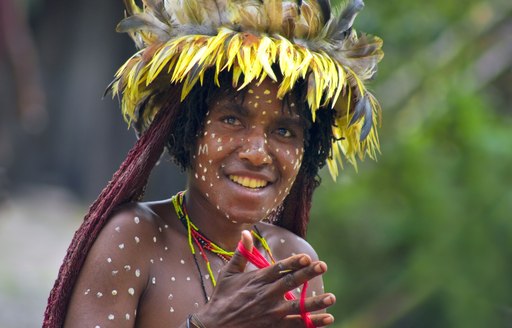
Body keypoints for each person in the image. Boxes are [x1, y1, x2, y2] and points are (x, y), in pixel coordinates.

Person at [44, 0, 383, 327]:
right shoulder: (133, 238)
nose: (257, 152)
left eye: (284, 130)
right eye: (232, 120)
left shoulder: (293, 258)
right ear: (189, 131)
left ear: (306, 152)